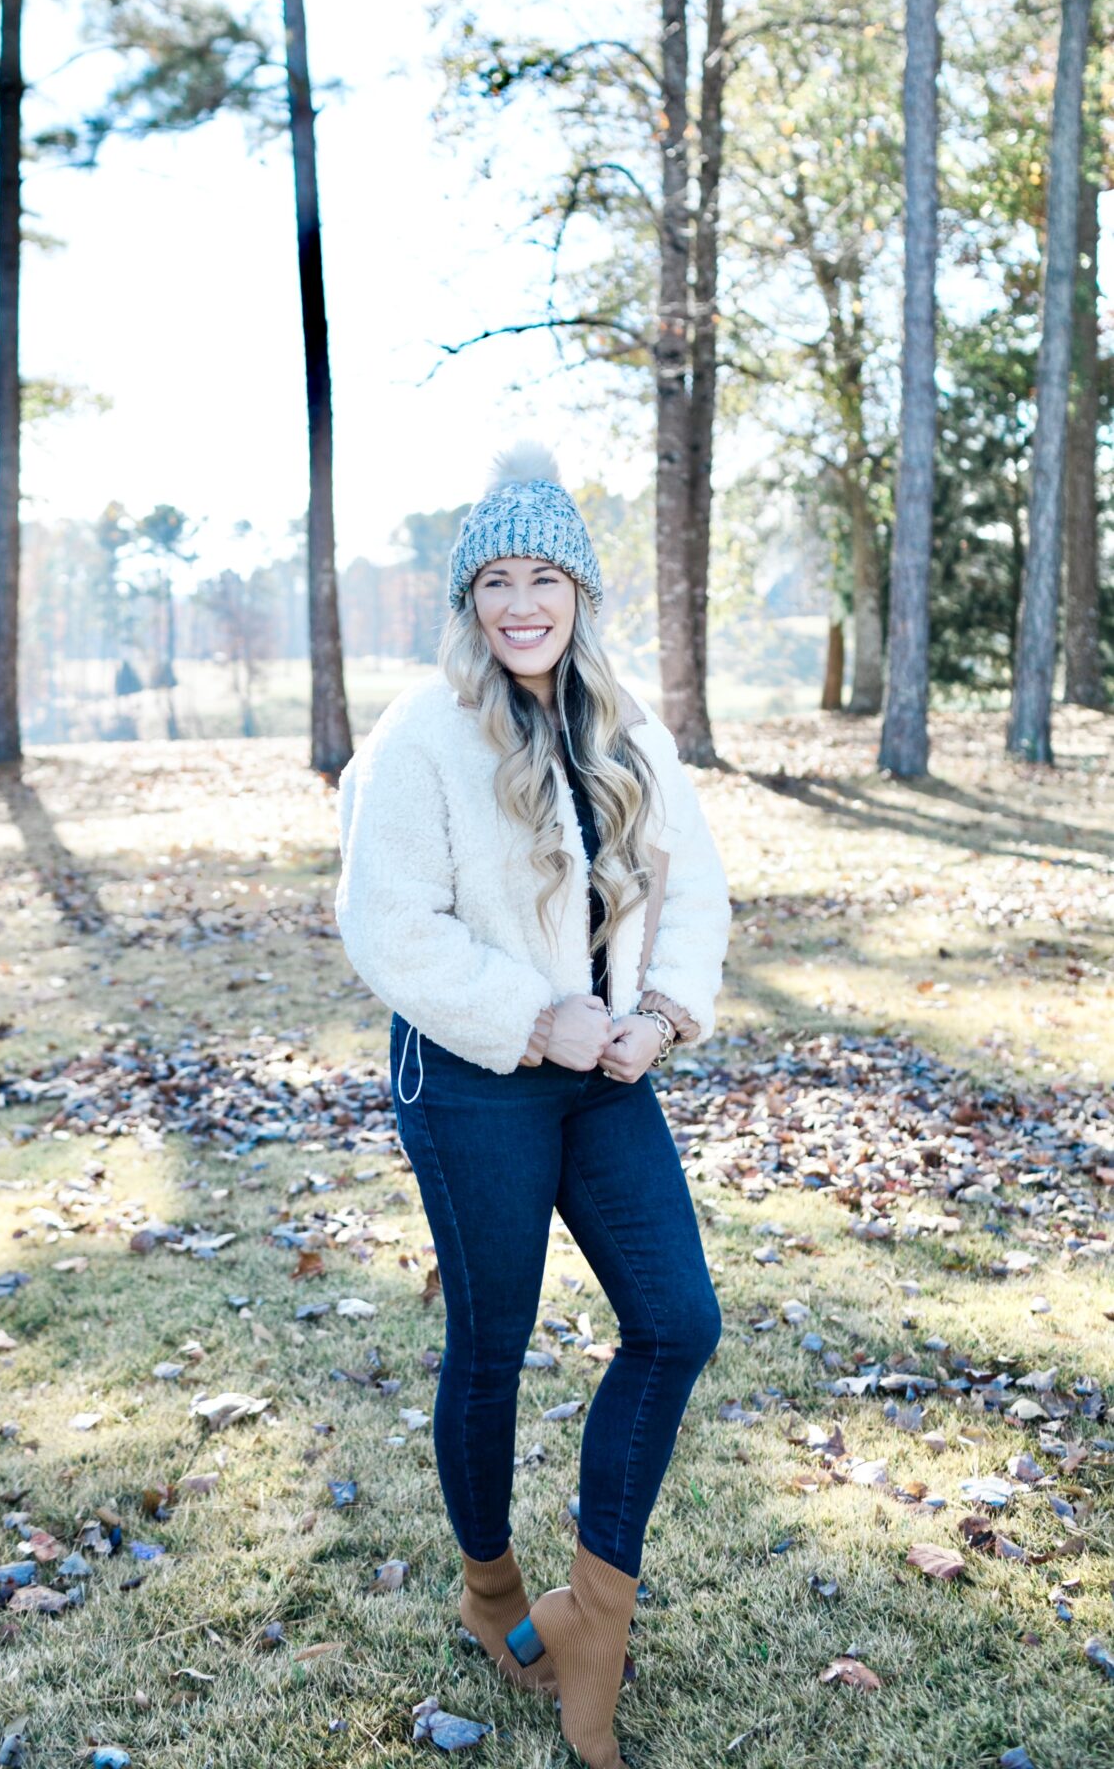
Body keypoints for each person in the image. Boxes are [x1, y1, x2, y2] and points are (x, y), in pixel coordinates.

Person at [334, 441, 730, 1769]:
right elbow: (390, 926)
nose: (519, 603)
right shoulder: (421, 735)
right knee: (492, 1347)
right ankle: (492, 1590)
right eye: (493, 579)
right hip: (471, 1078)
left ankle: (589, 1618)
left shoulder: (625, 727)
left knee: (676, 1321)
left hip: (604, 1081)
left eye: (542, 576)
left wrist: (663, 1013)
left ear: (577, 592)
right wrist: (533, 1015)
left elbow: (695, 883)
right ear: (466, 600)